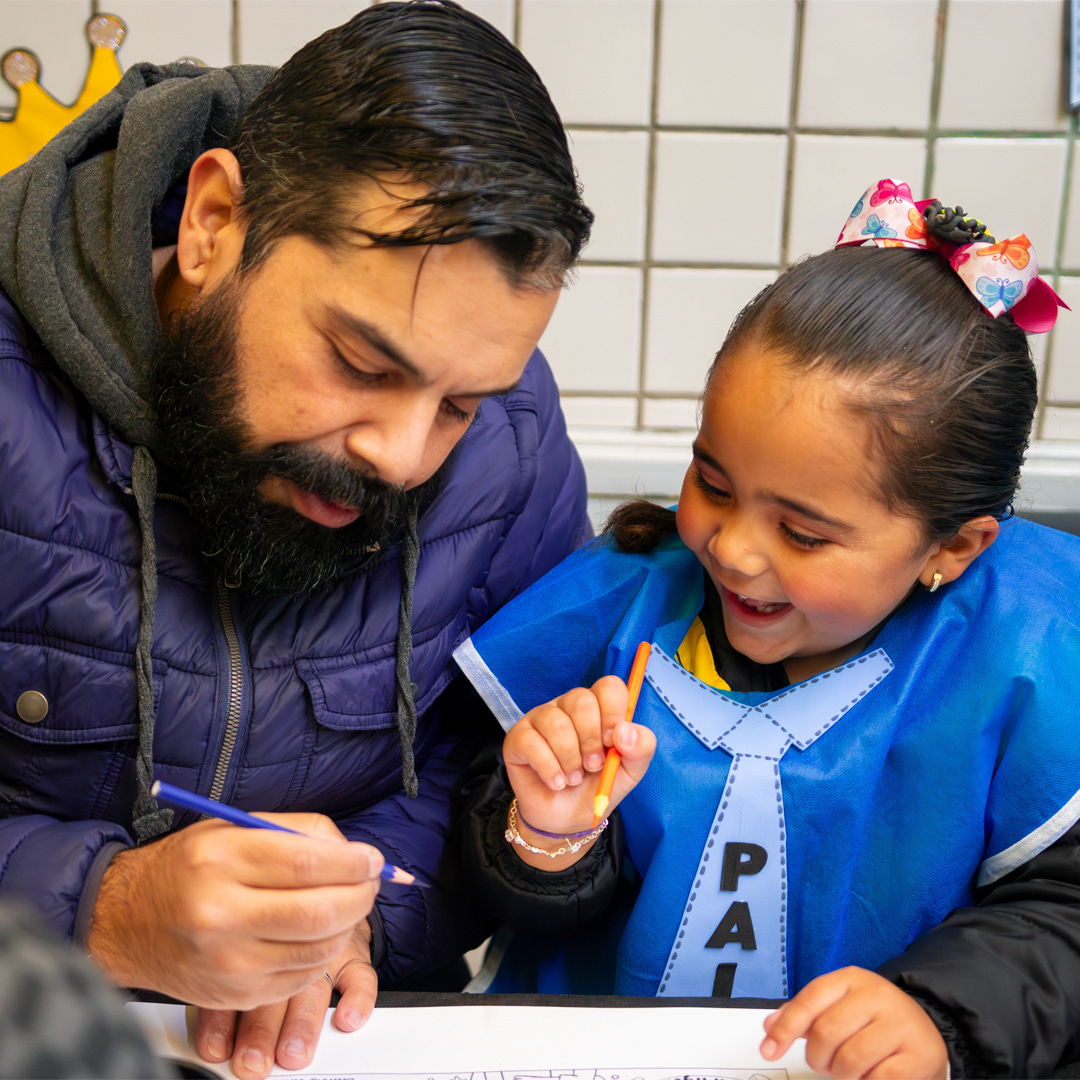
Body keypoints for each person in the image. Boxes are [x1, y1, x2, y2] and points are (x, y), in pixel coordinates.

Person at [0, 3, 592, 1078]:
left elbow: (497, 759)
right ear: (213, 222)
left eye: (457, 404)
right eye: (362, 365)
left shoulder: (513, 434)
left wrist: (354, 918)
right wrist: (100, 911)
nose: (402, 457)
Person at [455, 181, 1080, 1079]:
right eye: (712, 483)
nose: (732, 549)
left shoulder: (1030, 653)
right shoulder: (622, 609)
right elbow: (499, 880)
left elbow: (1061, 918)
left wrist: (938, 1013)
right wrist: (548, 836)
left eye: (804, 534)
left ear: (953, 546)